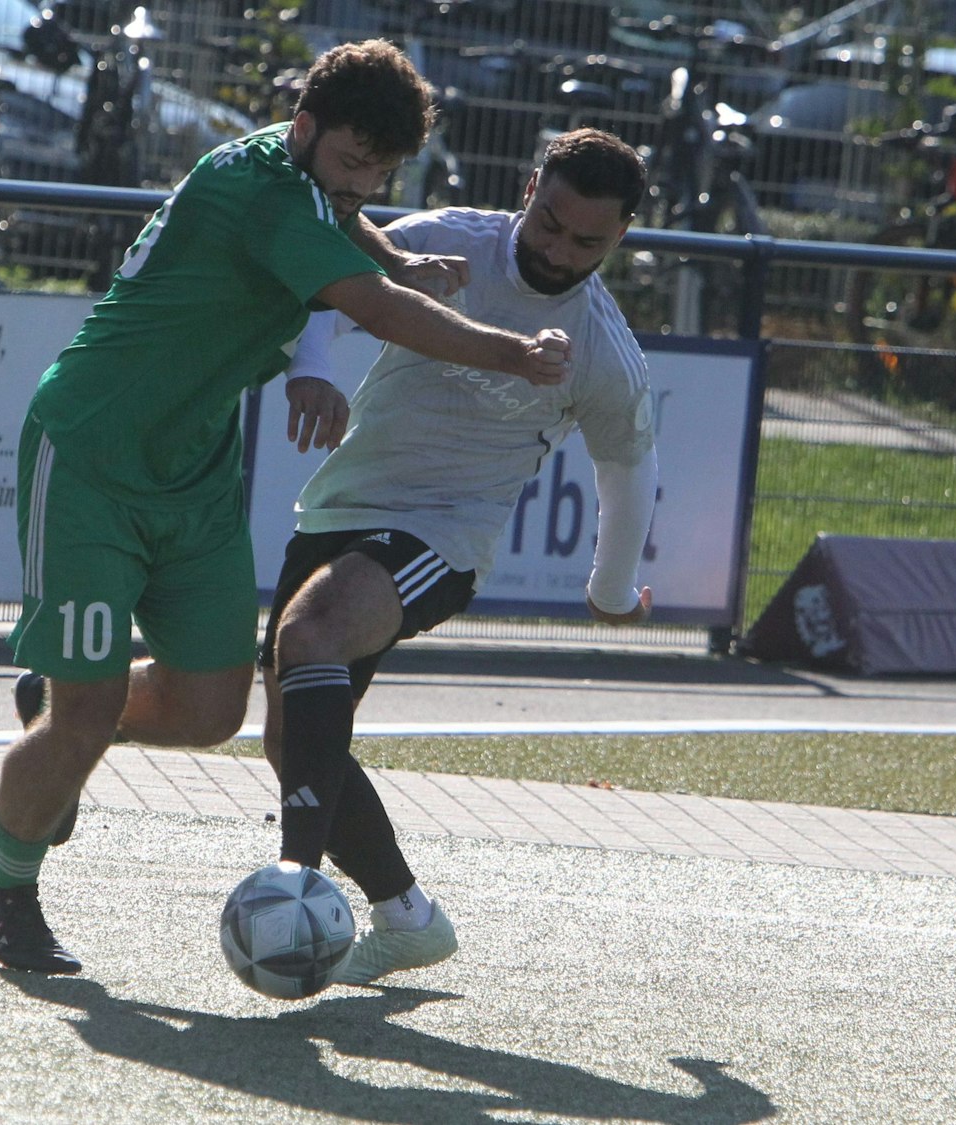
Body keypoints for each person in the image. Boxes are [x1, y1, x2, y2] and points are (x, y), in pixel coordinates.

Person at [0, 39, 577, 975]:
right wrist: (506, 351)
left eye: (381, 169)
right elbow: (372, 309)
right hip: (90, 452)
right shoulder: (260, 191)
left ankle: (57, 715)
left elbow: (341, 220)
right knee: (82, 718)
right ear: (304, 128)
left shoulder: (295, 166)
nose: (363, 181)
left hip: (195, 468)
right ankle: (5, 881)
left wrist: (394, 253)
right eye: (350, 161)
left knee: (213, 710)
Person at [259, 127, 659, 985]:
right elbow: (339, 287)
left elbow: (628, 465)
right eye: (549, 222)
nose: (557, 250)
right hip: (341, 504)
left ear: (621, 237)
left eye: (587, 240)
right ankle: (407, 916)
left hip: (445, 536)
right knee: (291, 740)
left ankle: (294, 881)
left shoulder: (601, 347)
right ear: (529, 187)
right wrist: (316, 368)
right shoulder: (448, 239)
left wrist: (613, 588)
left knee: (317, 632)